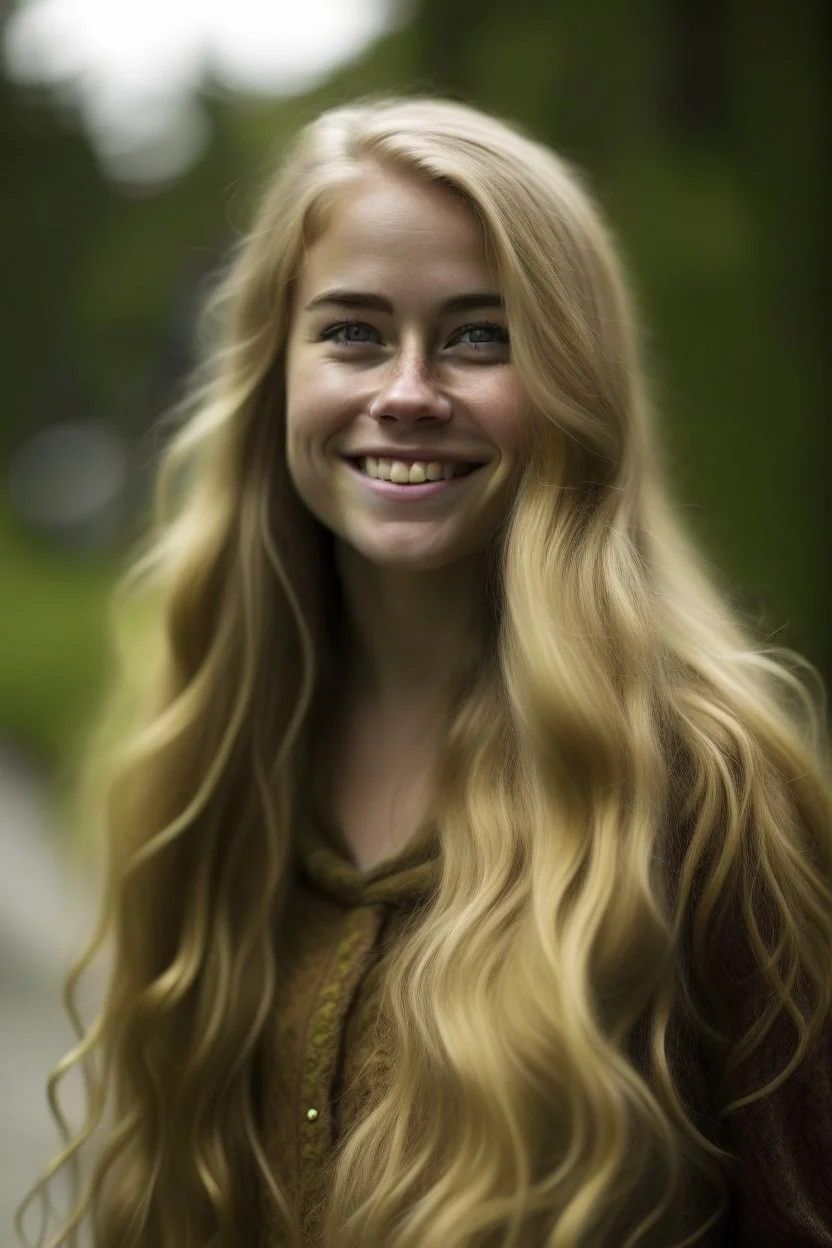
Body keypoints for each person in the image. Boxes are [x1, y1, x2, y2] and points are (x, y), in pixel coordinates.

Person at [16, 96, 832, 1248]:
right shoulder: (205, 760)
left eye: (477, 336)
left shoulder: (712, 790)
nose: (407, 389)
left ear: (572, 385)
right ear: (274, 375)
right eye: (351, 331)